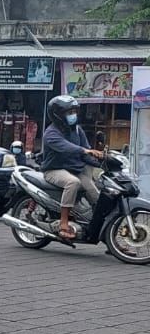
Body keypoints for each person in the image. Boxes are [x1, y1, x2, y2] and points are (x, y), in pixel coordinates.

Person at [40, 93, 104, 240]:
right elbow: (68, 148)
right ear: (57, 115)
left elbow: (86, 153)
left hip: (75, 169)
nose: (73, 115)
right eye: (69, 112)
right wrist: (85, 151)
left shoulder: (77, 130)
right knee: (73, 183)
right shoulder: (51, 134)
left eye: (74, 112)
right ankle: (64, 221)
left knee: (95, 193)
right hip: (54, 170)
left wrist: (101, 161)